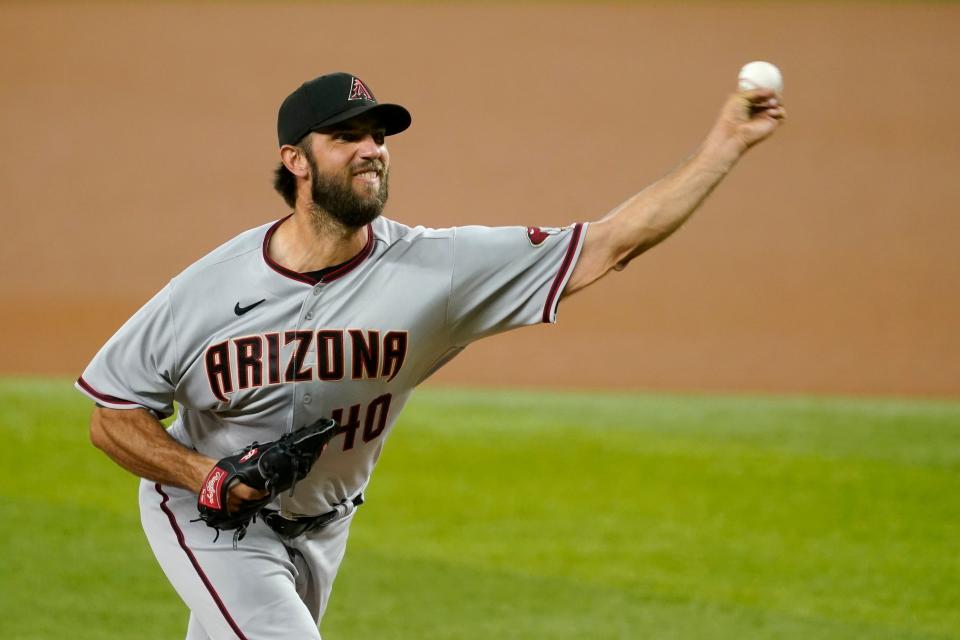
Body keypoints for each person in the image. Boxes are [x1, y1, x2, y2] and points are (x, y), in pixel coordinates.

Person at [77, 71, 784, 639]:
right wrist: (205, 473)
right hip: (209, 520)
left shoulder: (435, 271)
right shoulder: (206, 291)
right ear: (294, 160)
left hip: (325, 526)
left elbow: (608, 244)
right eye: (346, 136)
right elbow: (111, 411)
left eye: (379, 136)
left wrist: (726, 142)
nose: (372, 149)